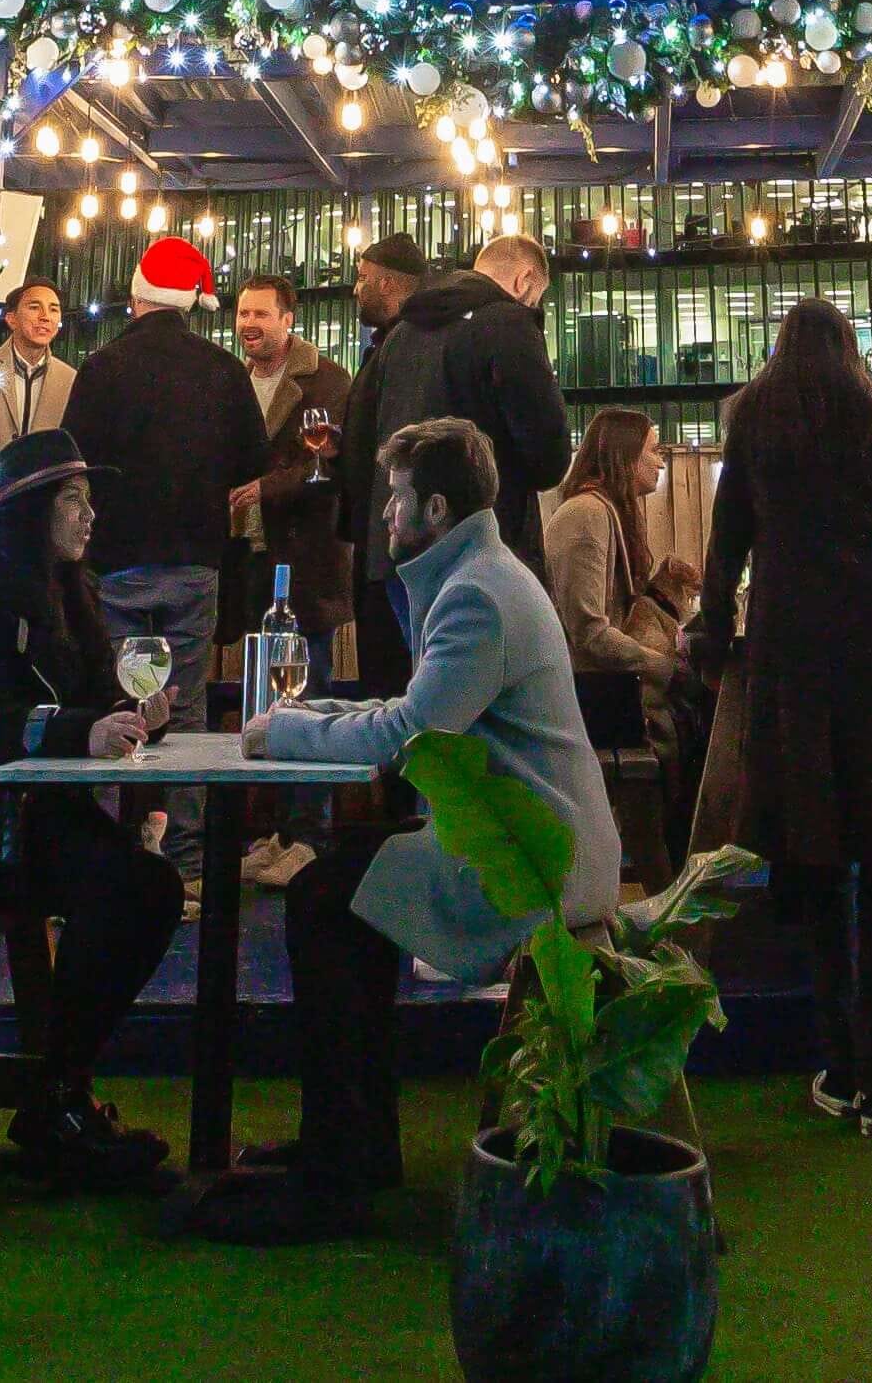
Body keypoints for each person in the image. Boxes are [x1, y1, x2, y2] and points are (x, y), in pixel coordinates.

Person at [192, 418, 618, 1244]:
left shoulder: (474, 596)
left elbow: (408, 737)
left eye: (393, 500)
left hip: (531, 860)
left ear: (432, 505)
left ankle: (340, 1166)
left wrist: (282, 731)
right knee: (334, 888)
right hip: (524, 838)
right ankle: (348, 1146)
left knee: (324, 896)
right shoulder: (482, 577)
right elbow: (416, 712)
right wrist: (308, 714)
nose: (384, 518)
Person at [690, 296, 872, 1137]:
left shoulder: (752, 419)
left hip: (792, 643)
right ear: (852, 349)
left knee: (817, 861)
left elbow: (727, 535)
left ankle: (840, 1068)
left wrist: (712, 623)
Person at [0, 432, 179, 1188]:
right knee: (135, 890)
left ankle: (60, 1091)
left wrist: (135, 713)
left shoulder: (64, 594)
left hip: (36, 823)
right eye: (73, 500)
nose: (90, 517)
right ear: (30, 513)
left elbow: (80, 703)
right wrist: (87, 728)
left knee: (141, 886)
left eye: (88, 500)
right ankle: (58, 1098)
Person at [349, 233, 572, 685]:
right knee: (485, 707)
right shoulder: (508, 325)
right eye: (538, 295)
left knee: (425, 704)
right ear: (526, 278)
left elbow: (363, 439)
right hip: (481, 554)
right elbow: (548, 457)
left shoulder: (401, 334)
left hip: (398, 551)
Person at [60, 234, 262, 698]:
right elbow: (253, 460)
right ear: (189, 303)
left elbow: (75, 461)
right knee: (184, 702)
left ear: (135, 299)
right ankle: (185, 770)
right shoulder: (225, 369)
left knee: (120, 701)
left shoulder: (101, 367)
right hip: (196, 556)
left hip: (116, 560)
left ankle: (126, 770)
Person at [540, 405, 694, 747]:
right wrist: (665, 666)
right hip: (594, 700)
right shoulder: (586, 515)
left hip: (603, 693)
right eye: (653, 451)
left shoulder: (602, 511)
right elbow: (590, 634)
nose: (661, 462)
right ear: (624, 455)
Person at [227, 271, 357, 659]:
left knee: (307, 688)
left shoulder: (329, 380)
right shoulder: (234, 381)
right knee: (256, 687)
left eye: (261, 315)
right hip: (250, 562)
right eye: (243, 313)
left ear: (287, 320)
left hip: (307, 561)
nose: (249, 323)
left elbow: (333, 465)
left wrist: (267, 488)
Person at [0, 277, 76, 451]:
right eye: (34, 307)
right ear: (11, 319)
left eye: (53, 310)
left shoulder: (70, 379)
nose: (45, 317)